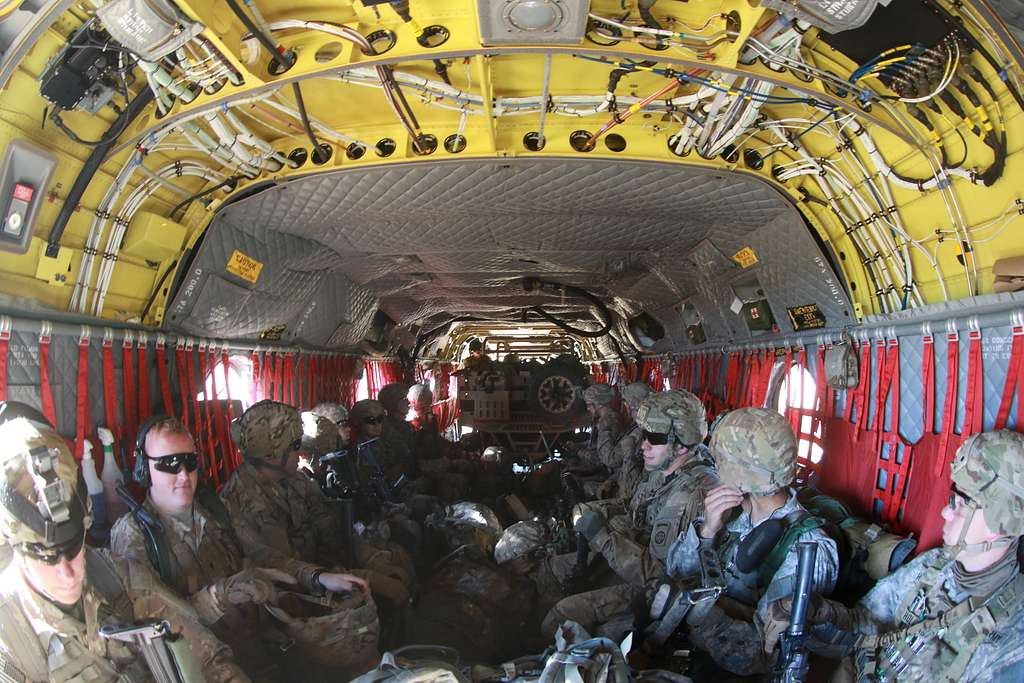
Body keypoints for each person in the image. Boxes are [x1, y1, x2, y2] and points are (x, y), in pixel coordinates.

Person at [109, 415, 373, 674]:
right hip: (211, 667)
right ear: (144, 469)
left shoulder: (216, 511)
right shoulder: (134, 536)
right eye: (168, 464)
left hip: (262, 647)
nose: (183, 474)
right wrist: (220, 595)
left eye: (190, 462)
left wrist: (318, 577)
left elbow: (263, 555)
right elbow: (153, 631)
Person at [0, 416, 249, 683]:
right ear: (14, 546)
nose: (68, 572)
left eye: (74, 547)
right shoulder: (9, 641)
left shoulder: (117, 576)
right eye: (45, 557)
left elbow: (208, 658)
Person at [762, 429, 1024, 682]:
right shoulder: (933, 566)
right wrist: (813, 611)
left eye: (962, 503)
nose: (946, 512)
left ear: (999, 524)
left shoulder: (1012, 638)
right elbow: (867, 625)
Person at [662, 407, 839, 676]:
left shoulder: (807, 547)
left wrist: (689, 610)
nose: (715, 468)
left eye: (719, 460)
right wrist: (706, 531)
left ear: (739, 471)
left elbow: (756, 653)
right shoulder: (730, 510)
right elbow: (675, 570)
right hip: (693, 647)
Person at [542, 390, 718, 638]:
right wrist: (597, 510)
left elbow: (659, 577)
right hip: (629, 556)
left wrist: (603, 538)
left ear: (681, 446)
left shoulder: (690, 494)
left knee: (560, 616)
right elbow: (635, 510)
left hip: (653, 591)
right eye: (644, 435)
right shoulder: (663, 470)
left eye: (654, 438)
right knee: (547, 570)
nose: (644, 445)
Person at [220, 400, 413, 606]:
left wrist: (370, 558)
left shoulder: (297, 480)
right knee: (391, 592)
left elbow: (331, 526)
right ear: (271, 454)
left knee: (399, 565)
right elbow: (276, 565)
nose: (301, 451)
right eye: (295, 445)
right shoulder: (242, 499)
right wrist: (354, 576)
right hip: (291, 592)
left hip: (323, 573)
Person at [378, 383, 416, 480]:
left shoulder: (405, 425)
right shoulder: (385, 428)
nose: (408, 402)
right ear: (393, 402)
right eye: (404, 399)